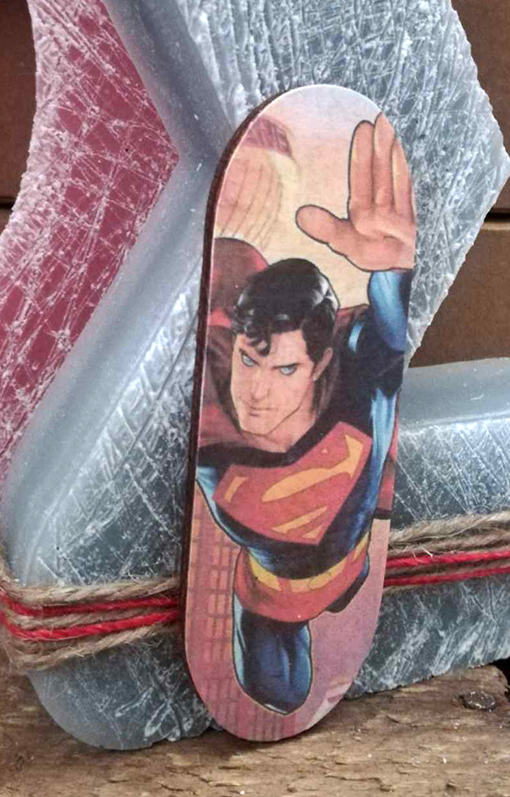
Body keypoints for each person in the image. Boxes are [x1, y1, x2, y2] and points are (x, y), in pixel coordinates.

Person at [195, 114, 414, 714]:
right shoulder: (208, 406)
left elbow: (388, 336)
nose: (256, 392)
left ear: (319, 364)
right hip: (272, 598)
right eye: (250, 360)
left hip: (351, 561)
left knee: (346, 592)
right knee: (278, 694)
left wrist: (394, 273)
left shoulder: (358, 383)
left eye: (285, 369)